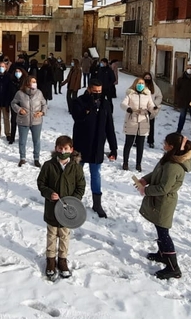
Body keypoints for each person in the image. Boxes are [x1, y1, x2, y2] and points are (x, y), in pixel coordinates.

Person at [136, 132, 191, 279]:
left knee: (163, 232)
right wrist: (144, 180)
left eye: (165, 143)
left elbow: (163, 188)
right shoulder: (169, 159)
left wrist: (145, 190)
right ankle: (162, 254)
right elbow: (157, 173)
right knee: (159, 227)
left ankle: (173, 267)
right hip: (160, 202)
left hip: (164, 203)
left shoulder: (174, 166)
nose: (163, 145)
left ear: (172, 146)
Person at [36, 135, 86, 280]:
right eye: (60, 148)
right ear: (56, 148)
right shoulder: (48, 165)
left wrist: (74, 200)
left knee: (64, 235)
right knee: (51, 235)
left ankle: (62, 260)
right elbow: (41, 183)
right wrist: (49, 193)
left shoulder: (76, 168)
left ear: (71, 150)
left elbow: (81, 186)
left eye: (66, 148)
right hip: (52, 209)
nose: (62, 151)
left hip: (68, 211)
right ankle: (50, 260)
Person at [71, 78, 118, 218]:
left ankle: (97, 203)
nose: (98, 93)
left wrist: (113, 148)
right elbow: (77, 118)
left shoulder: (105, 104)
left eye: (100, 91)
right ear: (89, 89)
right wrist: (90, 107)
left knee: (96, 174)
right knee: (77, 173)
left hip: (97, 146)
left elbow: (110, 126)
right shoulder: (79, 101)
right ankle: (74, 198)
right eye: (95, 91)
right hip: (81, 145)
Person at [120, 77, 157, 172]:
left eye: (142, 83)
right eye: (139, 83)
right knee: (128, 143)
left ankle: (138, 164)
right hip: (132, 120)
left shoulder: (147, 94)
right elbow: (123, 104)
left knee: (140, 144)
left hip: (143, 122)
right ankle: (125, 162)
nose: (140, 85)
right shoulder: (130, 94)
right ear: (135, 84)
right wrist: (128, 108)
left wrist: (154, 108)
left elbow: (150, 105)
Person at [12, 73, 48, 167]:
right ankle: (22, 158)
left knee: (36, 141)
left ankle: (36, 159)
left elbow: (44, 104)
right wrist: (19, 110)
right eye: (33, 82)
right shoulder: (20, 93)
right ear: (27, 83)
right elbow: (13, 103)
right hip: (23, 120)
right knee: (22, 141)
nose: (34, 84)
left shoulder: (39, 93)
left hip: (36, 121)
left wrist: (42, 112)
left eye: (35, 82)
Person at [0, 61, 17, 142]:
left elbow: (11, 89)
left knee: (6, 119)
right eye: (0, 66)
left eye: (3, 66)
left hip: (6, 102)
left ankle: (7, 133)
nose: (1, 68)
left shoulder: (9, 77)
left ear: (6, 68)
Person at [143, 72, 163, 148]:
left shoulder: (154, 87)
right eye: (146, 77)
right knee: (139, 125)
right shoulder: (140, 85)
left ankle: (150, 141)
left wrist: (155, 104)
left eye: (149, 78)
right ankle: (137, 140)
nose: (147, 79)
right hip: (141, 108)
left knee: (151, 126)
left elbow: (159, 96)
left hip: (151, 109)